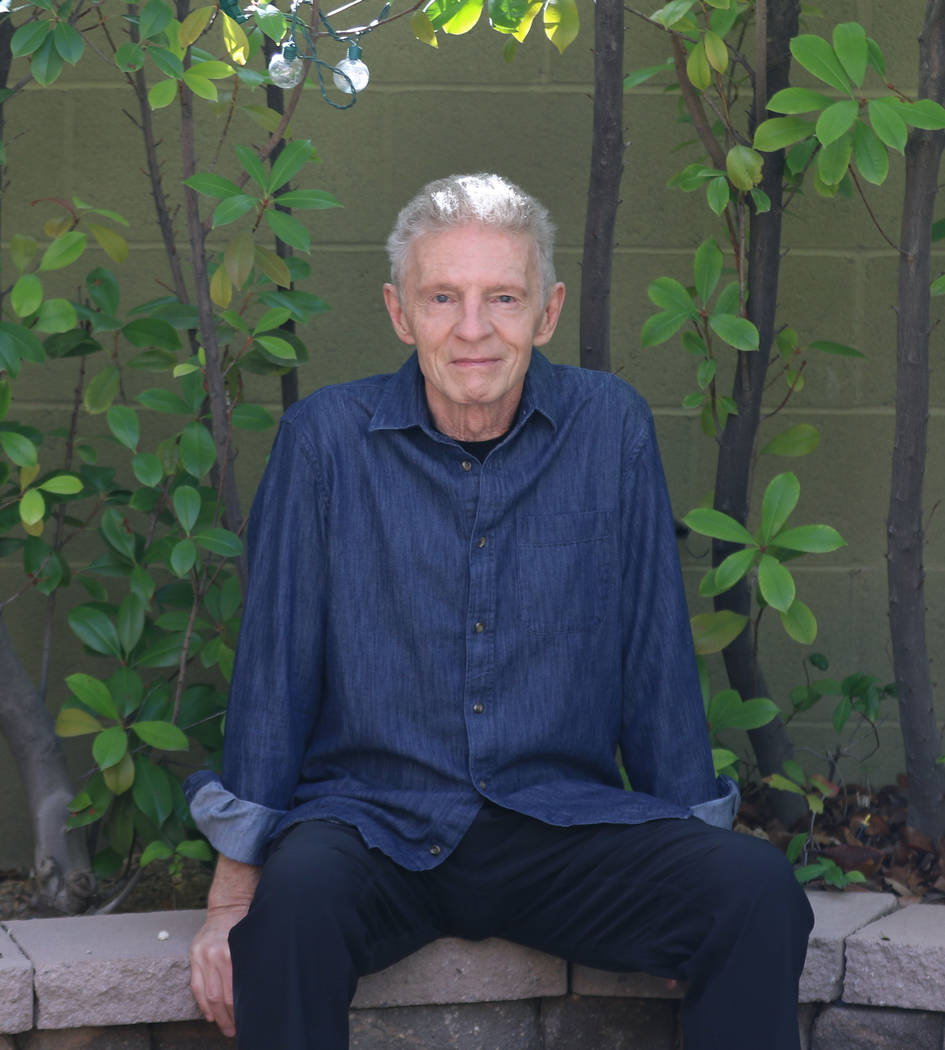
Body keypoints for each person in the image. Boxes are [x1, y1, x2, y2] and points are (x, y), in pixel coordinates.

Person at [185, 172, 813, 1050]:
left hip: (559, 828)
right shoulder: (324, 441)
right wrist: (231, 898)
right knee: (289, 913)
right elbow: (275, 669)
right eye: (442, 296)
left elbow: (654, 654)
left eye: (502, 298)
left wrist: (688, 864)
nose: (472, 328)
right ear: (400, 314)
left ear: (546, 312)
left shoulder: (609, 429)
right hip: (374, 827)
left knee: (751, 891)